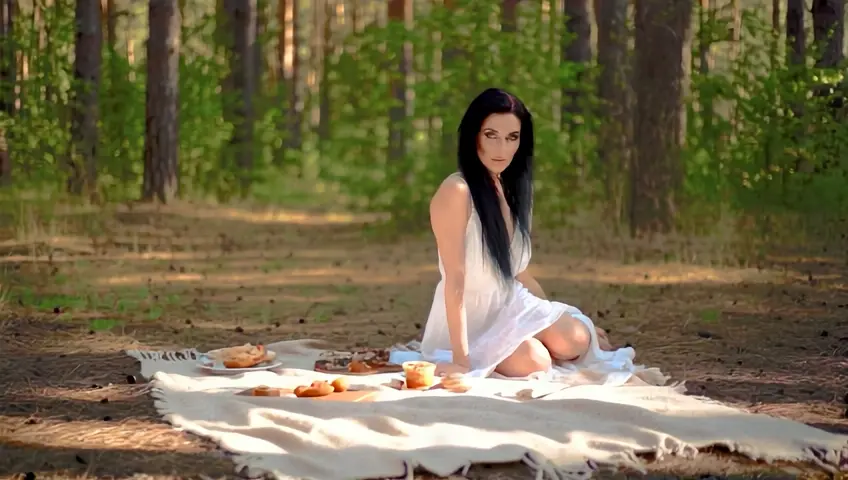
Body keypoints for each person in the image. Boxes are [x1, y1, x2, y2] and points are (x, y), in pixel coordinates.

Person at [420, 87, 612, 378]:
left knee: (577, 338)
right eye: (491, 136)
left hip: (511, 304)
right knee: (536, 362)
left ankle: (547, 336)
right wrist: (461, 360)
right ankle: (528, 347)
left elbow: (519, 273)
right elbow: (455, 281)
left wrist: (548, 319)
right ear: (473, 136)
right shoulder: (457, 191)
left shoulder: (513, 189)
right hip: (470, 319)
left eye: (512, 138)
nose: (501, 150)